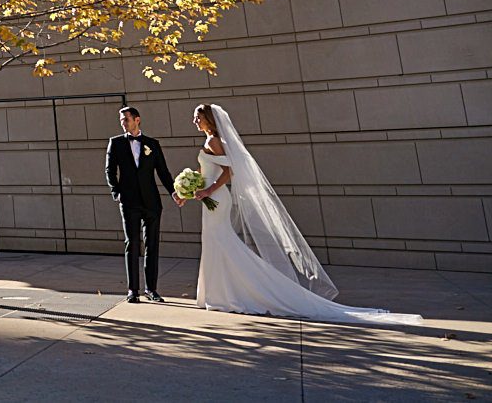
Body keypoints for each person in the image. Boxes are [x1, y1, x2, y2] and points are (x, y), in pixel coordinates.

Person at [180, 103, 421, 325]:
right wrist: (188, 191)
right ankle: (217, 293)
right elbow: (206, 175)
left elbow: (229, 172)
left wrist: (209, 190)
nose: (195, 121)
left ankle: (237, 292)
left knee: (221, 242)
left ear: (209, 119)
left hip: (217, 198)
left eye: (198, 117)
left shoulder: (213, 141)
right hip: (210, 198)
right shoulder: (211, 141)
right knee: (216, 243)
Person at [106, 105, 176, 303]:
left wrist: (173, 192)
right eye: (121, 120)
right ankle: (132, 290)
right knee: (132, 244)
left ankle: (151, 290)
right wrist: (116, 192)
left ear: (137, 120)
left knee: (152, 245)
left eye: (126, 119)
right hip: (129, 202)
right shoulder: (116, 143)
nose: (123, 123)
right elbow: (110, 171)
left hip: (152, 203)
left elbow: (163, 171)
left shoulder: (152, 144)